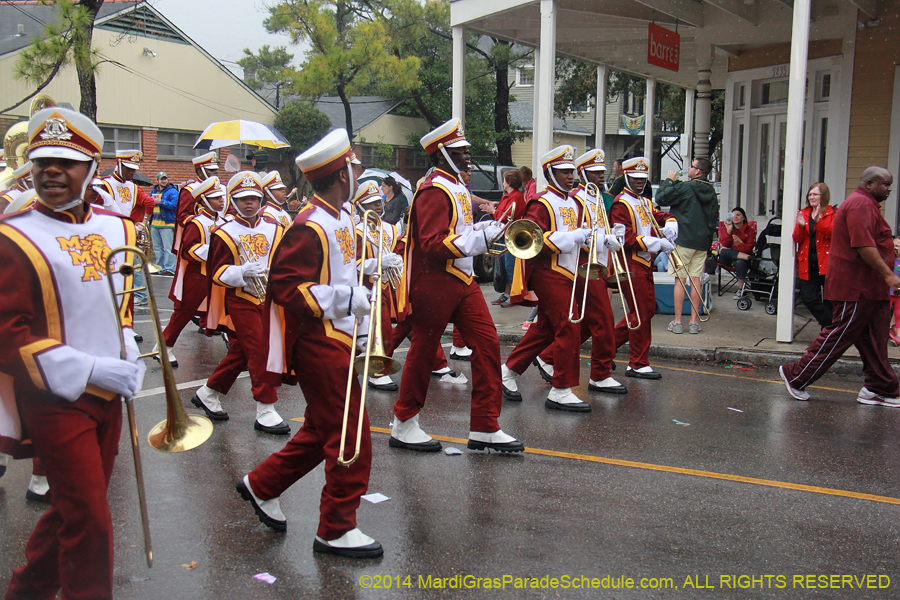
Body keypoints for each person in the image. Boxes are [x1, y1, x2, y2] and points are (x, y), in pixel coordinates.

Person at [0, 106, 144, 600]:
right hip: (54, 399)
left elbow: (118, 305)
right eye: (42, 160)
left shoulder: (118, 229)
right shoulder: (14, 235)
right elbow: (6, 331)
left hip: (109, 396)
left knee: (73, 509)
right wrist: (85, 367)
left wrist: (126, 343)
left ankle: (25, 593)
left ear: (93, 168)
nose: (51, 170)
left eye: (67, 161)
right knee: (90, 519)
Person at [239, 128, 384, 558]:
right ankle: (335, 528)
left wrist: (363, 284)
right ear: (342, 175)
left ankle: (261, 484)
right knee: (350, 435)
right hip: (318, 342)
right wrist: (345, 299)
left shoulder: (340, 218)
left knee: (322, 429)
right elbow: (286, 289)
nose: (358, 172)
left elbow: (338, 272)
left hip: (338, 337)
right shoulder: (309, 225)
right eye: (354, 166)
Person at [391, 118, 523, 452]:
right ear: (442, 154)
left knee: (488, 344)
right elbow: (433, 243)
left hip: (463, 279)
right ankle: (404, 422)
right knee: (423, 351)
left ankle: (485, 426)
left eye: (465, 149)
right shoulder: (434, 189)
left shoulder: (456, 186)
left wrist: (485, 229)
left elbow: (459, 231)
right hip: (435, 279)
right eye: (459, 150)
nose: (467, 154)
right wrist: (479, 239)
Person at [779, 167, 900, 406]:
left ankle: (880, 387)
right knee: (839, 333)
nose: (889, 189)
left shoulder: (866, 206)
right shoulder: (859, 205)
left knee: (874, 338)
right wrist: (889, 275)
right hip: (855, 287)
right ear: (869, 184)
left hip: (870, 288)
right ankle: (796, 375)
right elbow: (864, 246)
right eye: (885, 184)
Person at [503, 145, 603, 411]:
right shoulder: (542, 202)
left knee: (545, 328)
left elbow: (583, 233)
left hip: (569, 271)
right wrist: (572, 237)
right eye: (563, 171)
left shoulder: (574, 201)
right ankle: (560, 389)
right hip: (549, 272)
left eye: (571, 171)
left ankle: (508, 371)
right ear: (550, 172)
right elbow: (532, 241)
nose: (570, 176)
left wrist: (601, 238)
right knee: (570, 325)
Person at [191, 171, 289, 434]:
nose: (250, 203)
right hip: (240, 298)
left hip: (269, 298)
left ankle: (208, 392)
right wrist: (241, 272)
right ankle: (265, 407)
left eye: (255, 198)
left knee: (243, 352)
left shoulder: (276, 228)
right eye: (243, 198)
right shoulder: (223, 233)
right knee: (260, 350)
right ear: (232, 200)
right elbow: (217, 272)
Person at [534, 148, 627, 395]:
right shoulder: (575, 198)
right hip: (580, 264)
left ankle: (546, 357)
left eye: (602, 172)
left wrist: (610, 238)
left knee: (581, 322)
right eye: (594, 173)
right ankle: (598, 374)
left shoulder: (596, 197)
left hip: (595, 262)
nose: (599, 177)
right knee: (599, 319)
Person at [609, 156, 676, 380]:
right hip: (630, 261)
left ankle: (607, 348)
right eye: (635, 178)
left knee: (645, 310)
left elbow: (655, 217)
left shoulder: (644, 201)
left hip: (645, 261)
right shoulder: (621, 203)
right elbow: (625, 237)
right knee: (640, 311)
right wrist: (657, 243)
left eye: (643, 178)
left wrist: (671, 220)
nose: (639, 181)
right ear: (627, 177)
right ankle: (637, 362)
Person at [157, 177, 227, 367]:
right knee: (184, 312)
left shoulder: (224, 220)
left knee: (227, 310)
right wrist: (213, 252)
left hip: (218, 274)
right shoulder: (196, 223)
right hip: (198, 275)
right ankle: (163, 347)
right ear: (203, 200)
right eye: (215, 198)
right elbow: (188, 250)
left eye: (221, 197)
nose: (221, 200)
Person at [656, 157, 718, 335]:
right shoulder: (711, 191)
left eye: (692, 165)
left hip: (683, 239)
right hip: (702, 242)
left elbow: (661, 197)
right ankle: (693, 322)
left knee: (680, 280)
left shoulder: (687, 187)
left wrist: (669, 181)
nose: (689, 167)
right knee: (696, 279)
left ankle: (677, 322)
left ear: (697, 171)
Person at [352, 180, 405, 391]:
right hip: (363, 288)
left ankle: (377, 368)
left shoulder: (390, 228)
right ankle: (369, 369)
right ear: (361, 206)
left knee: (384, 330)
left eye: (378, 201)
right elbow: (353, 264)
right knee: (364, 335)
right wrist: (378, 263)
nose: (378, 206)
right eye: (371, 203)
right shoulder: (355, 230)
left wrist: (396, 260)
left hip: (384, 286)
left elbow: (395, 251)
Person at [97, 150, 155, 306]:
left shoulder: (134, 187)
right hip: (108, 233)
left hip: (127, 232)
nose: (132, 172)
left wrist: (143, 224)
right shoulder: (104, 184)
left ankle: (129, 297)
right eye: (129, 168)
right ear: (119, 164)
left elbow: (150, 203)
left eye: (134, 169)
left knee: (129, 266)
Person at [793, 182, 835, 328]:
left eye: (815, 194)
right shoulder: (804, 213)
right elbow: (797, 239)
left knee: (830, 300)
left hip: (827, 263)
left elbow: (834, 234)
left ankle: (827, 333)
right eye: (810, 194)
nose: (812, 197)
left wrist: (818, 222)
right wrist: (801, 226)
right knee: (808, 297)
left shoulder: (832, 213)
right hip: (808, 263)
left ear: (823, 196)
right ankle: (832, 326)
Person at [173, 151, 219, 255]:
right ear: (199, 172)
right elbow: (182, 217)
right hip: (200, 235)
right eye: (211, 170)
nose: (216, 172)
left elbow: (229, 211)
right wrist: (201, 223)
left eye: (216, 169)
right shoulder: (190, 190)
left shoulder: (223, 188)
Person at [491, 169, 525, 307]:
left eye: (504, 180)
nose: (503, 183)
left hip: (510, 235)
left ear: (509, 182)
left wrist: (493, 211)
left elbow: (506, 215)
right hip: (504, 234)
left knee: (510, 266)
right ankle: (507, 293)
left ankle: (515, 295)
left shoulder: (515, 197)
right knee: (504, 266)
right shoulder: (509, 196)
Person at [717, 207, 755, 298]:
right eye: (733, 215)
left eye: (738, 215)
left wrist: (731, 250)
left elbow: (748, 247)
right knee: (724, 252)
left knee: (740, 262)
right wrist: (729, 232)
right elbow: (725, 243)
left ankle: (741, 290)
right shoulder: (726, 227)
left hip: (742, 260)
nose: (735, 217)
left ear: (744, 218)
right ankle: (746, 257)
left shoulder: (750, 230)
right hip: (728, 259)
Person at [150, 171, 178, 275]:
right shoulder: (154, 190)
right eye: (161, 179)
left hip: (167, 224)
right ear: (157, 180)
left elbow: (175, 205)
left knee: (168, 248)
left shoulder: (172, 191)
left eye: (165, 178)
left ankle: (169, 269)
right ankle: (159, 267)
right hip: (155, 223)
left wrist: (160, 202)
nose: (163, 180)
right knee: (157, 248)